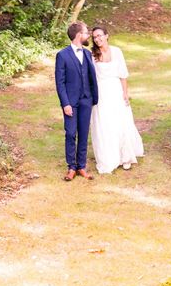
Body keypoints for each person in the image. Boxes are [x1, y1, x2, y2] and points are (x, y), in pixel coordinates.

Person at [89, 26, 144, 173]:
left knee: (121, 122)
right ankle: (109, 156)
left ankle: (126, 157)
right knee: (105, 124)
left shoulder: (117, 51)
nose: (98, 39)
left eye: (100, 35)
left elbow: (123, 74)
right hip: (101, 93)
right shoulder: (92, 55)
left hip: (116, 90)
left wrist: (125, 93)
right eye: (94, 37)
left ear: (107, 35)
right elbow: (90, 77)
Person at [55, 21, 99, 181]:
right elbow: (60, 82)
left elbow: (91, 77)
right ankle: (71, 167)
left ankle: (81, 166)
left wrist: (93, 98)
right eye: (86, 33)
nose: (88, 36)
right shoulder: (62, 55)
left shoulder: (87, 54)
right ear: (79, 35)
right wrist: (65, 103)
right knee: (71, 133)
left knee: (83, 133)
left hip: (86, 100)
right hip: (71, 102)